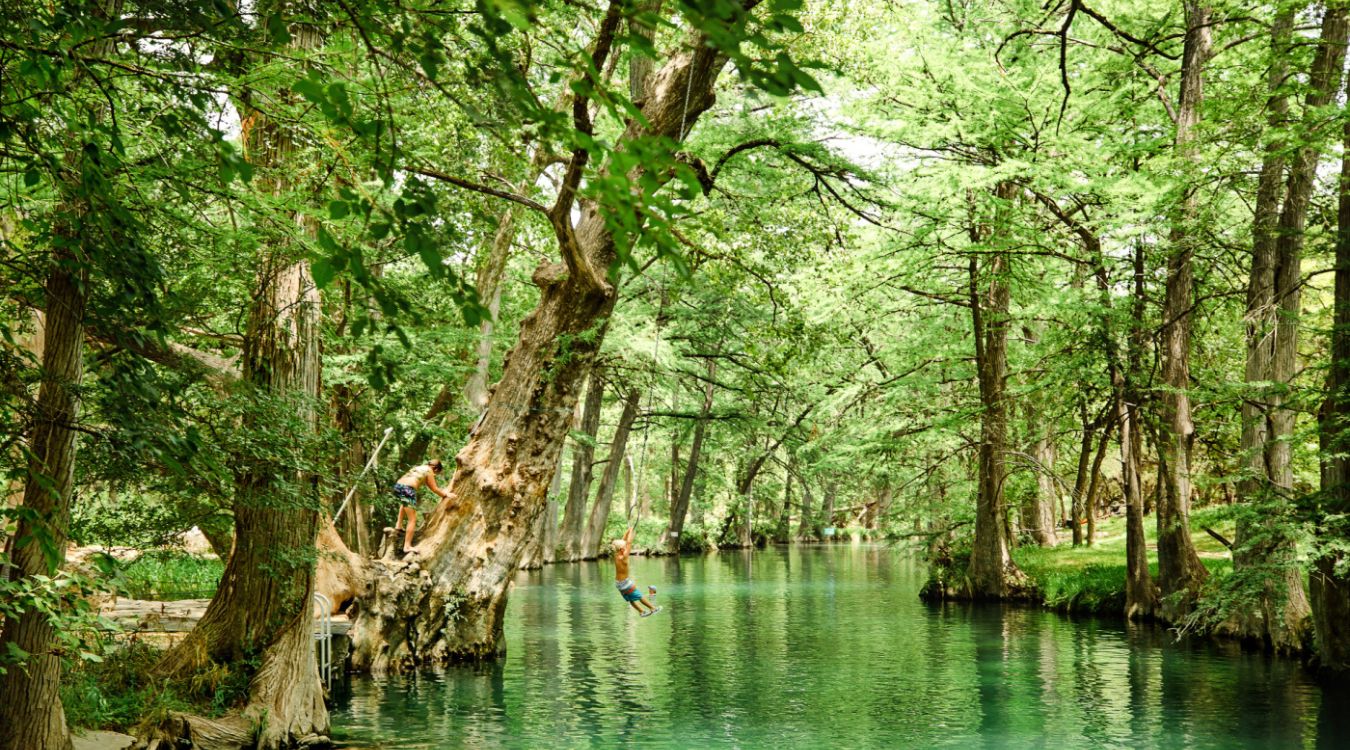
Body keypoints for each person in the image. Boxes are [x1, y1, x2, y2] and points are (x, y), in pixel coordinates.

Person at [392, 459, 451, 555]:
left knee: (404, 503)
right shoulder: (429, 471)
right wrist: (446, 495)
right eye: (436, 473)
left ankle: (398, 525)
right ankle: (407, 546)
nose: (435, 475)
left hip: (398, 486)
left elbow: (427, 484)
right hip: (407, 489)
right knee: (412, 519)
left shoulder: (419, 468)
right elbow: (434, 488)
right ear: (436, 469)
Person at [612, 525, 660, 617]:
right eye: (625, 547)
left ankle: (641, 611)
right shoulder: (624, 557)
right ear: (622, 549)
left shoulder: (616, 554)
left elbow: (624, 541)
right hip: (625, 583)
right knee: (640, 596)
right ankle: (653, 609)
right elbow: (629, 542)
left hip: (618, 583)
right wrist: (631, 532)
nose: (626, 547)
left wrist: (628, 530)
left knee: (631, 599)